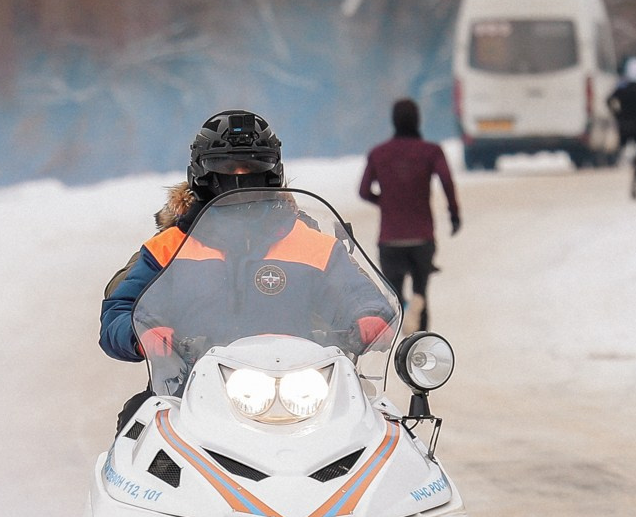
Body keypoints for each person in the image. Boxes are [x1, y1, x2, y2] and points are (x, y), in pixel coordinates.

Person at [101, 110, 395, 430]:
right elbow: (120, 308)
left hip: (301, 399)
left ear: (273, 173)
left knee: (378, 426)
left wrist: (370, 316)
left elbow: (356, 291)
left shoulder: (314, 245)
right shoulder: (168, 247)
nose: (239, 179)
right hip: (184, 393)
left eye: (253, 169)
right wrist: (139, 334)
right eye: (225, 170)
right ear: (201, 176)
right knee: (134, 426)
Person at [359, 97, 461, 330]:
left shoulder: (379, 153)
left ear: (393, 121)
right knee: (422, 289)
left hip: (390, 239)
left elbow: (364, 191)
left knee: (392, 295)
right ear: (418, 120)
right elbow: (447, 181)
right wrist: (453, 214)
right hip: (422, 238)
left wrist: (385, 201)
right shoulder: (431, 151)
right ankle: (421, 339)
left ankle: (401, 319)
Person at [607, 57, 636, 200]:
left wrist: (617, 114)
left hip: (623, 126)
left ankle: (611, 186)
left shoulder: (622, 90)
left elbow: (608, 100)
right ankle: (634, 185)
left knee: (617, 156)